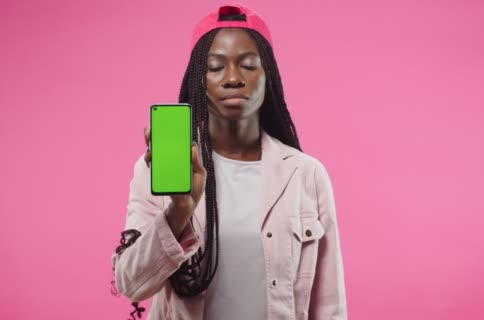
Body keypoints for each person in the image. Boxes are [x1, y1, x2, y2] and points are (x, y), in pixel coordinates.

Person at [111, 3, 347, 319]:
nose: (233, 78)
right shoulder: (158, 170)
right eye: (216, 66)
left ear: (269, 76)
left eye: (248, 65)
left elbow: (328, 306)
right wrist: (180, 210)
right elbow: (131, 284)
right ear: (198, 77)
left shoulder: (306, 175)